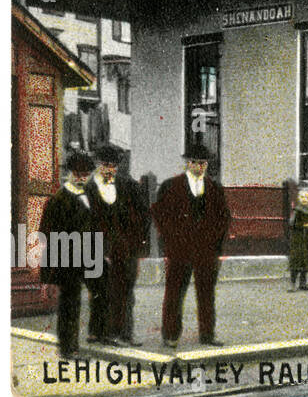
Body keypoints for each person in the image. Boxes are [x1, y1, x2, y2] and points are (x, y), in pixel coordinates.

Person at [152, 142, 230, 348]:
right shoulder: (171, 185)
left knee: (206, 294)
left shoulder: (214, 188)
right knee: (174, 293)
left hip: (206, 251)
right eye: (194, 162)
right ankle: (170, 334)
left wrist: (216, 246)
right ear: (187, 163)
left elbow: (223, 218)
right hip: (179, 250)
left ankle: (207, 334)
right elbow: (160, 215)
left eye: (203, 163)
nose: (199, 166)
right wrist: (170, 240)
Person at [87, 144, 150, 346]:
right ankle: (101, 333)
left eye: (113, 165)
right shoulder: (88, 189)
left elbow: (143, 216)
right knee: (102, 291)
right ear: (97, 164)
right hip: (98, 248)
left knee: (126, 291)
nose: (109, 169)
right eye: (105, 165)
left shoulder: (128, 186)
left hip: (125, 249)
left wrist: (139, 246)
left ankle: (125, 333)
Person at [38, 151, 98, 357]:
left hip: (88, 258)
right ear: (70, 174)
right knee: (69, 305)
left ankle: (81, 342)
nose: (82, 178)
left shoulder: (89, 196)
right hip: (67, 260)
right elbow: (47, 236)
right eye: (78, 174)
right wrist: (48, 274)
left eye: (86, 174)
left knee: (87, 301)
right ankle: (68, 348)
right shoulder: (58, 200)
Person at [287, 184, 308, 291]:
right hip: (298, 240)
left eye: (307, 197)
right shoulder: (297, 210)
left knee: (306, 262)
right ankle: (293, 284)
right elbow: (291, 223)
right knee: (296, 262)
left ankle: (303, 283)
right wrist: (303, 225)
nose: (305, 199)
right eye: (302, 197)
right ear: (299, 198)